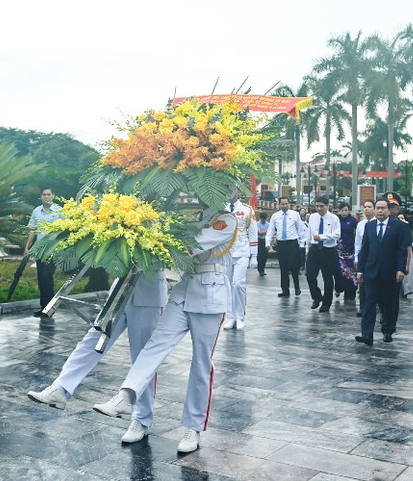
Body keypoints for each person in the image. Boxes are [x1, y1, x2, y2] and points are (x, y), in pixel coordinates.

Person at [92, 208, 237, 454]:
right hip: (184, 291)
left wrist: (151, 241)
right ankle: (126, 396)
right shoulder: (193, 216)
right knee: (154, 345)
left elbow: (190, 248)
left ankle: (193, 427)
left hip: (210, 295)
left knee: (201, 363)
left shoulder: (226, 219)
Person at [28, 271, 167, 443]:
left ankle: (141, 419)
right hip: (120, 291)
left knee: (143, 358)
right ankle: (61, 388)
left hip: (148, 295)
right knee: (92, 340)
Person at [356, 198, 410, 345]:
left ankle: (388, 330)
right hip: (371, 271)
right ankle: (367, 334)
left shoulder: (398, 226)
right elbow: (364, 249)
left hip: (390, 272)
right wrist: (360, 270)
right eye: (378, 208)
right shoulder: (369, 226)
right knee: (369, 303)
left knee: (389, 303)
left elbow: (401, 250)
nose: (380, 211)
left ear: (388, 210)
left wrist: (401, 269)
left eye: (383, 208)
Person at [24, 187, 63, 316]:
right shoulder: (36, 211)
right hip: (40, 250)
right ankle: (44, 307)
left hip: (53, 250)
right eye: (44, 195)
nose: (46, 197)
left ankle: (50, 306)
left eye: (49, 194)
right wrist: (27, 247)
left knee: (47, 276)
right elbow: (32, 230)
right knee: (41, 278)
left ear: (53, 195)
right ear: (41, 196)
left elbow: (65, 230)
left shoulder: (59, 211)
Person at [223, 193, 258, 330]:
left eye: (233, 188)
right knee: (228, 285)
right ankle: (230, 317)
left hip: (242, 251)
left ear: (238, 191)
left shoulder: (247, 209)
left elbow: (253, 232)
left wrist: (254, 255)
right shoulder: (221, 208)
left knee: (238, 284)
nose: (230, 192)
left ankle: (240, 316)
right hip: (226, 252)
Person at [306, 196, 341, 312]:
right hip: (314, 249)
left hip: (328, 250)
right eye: (317, 206)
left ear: (327, 206)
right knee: (309, 275)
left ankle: (326, 303)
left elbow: (337, 235)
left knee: (327, 278)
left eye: (321, 206)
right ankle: (316, 296)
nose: (319, 208)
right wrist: (307, 248)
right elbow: (309, 233)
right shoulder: (312, 217)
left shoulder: (334, 218)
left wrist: (322, 237)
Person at [265, 197, 305, 297]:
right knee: (283, 268)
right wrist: (267, 242)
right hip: (281, 244)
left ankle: (297, 287)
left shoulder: (295, 215)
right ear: (279, 205)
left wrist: (302, 243)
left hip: (292, 243)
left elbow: (300, 230)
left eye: (286, 203)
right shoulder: (275, 216)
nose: (284, 205)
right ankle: (285, 290)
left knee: (293, 266)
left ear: (289, 204)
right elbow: (270, 230)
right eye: (282, 204)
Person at [354, 200, 375, 317]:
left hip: (375, 257)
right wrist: (356, 258)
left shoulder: (377, 223)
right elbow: (358, 243)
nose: (366, 209)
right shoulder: (360, 224)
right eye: (365, 207)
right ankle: (363, 307)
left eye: (369, 207)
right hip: (363, 257)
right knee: (362, 284)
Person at [335, 202, 358, 301]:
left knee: (351, 272)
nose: (344, 212)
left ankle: (351, 293)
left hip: (350, 250)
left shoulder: (353, 221)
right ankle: (339, 288)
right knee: (339, 272)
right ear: (339, 211)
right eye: (342, 210)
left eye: (346, 210)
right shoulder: (336, 220)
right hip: (338, 250)